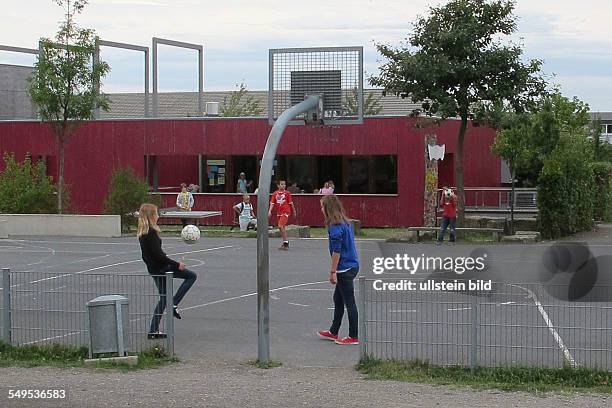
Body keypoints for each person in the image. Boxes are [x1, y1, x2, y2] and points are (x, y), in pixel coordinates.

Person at [137, 203, 197, 339]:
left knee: (163, 298)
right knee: (191, 276)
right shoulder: (150, 233)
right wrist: (177, 265)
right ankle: (174, 303)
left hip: (154, 268)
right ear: (151, 216)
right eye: (156, 213)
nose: (158, 216)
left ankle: (153, 331)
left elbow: (147, 255)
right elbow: (158, 255)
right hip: (162, 268)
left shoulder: (143, 233)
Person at [317, 195, 360, 345]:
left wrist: (333, 272)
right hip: (352, 264)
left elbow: (337, 252)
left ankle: (353, 336)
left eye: (322, 207)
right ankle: (333, 331)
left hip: (344, 268)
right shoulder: (345, 223)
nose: (321, 209)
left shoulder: (335, 228)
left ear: (328, 209)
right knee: (338, 298)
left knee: (349, 302)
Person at [268, 180, 297, 250]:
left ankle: (286, 243)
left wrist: (294, 211)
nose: (283, 186)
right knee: (281, 227)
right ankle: (285, 241)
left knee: (280, 226)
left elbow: (291, 203)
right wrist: (270, 211)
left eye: (284, 184)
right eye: (281, 184)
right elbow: (272, 203)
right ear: (278, 185)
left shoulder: (287, 193)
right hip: (279, 212)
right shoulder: (275, 194)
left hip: (285, 212)